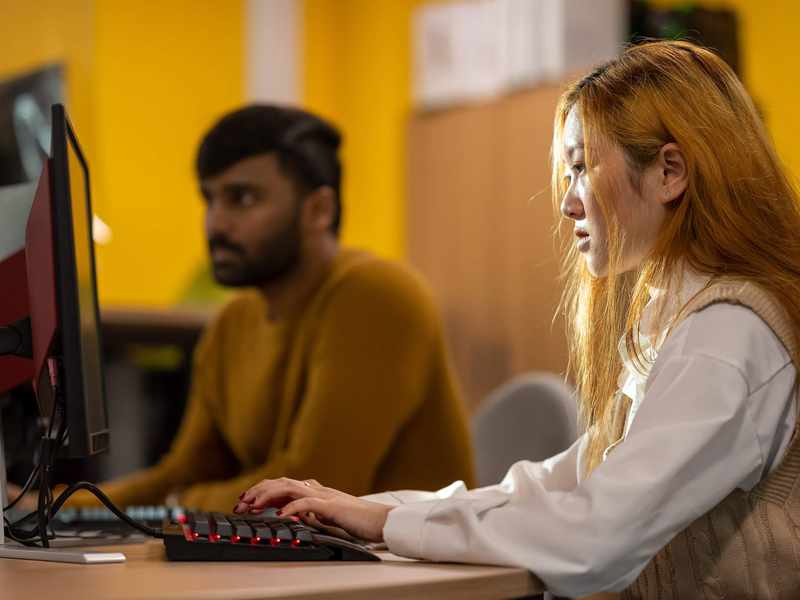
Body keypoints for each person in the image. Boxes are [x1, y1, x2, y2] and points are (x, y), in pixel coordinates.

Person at [233, 41, 800, 599]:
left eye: (580, 167)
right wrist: (377, 510)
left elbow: (592, 536)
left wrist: (385, 525)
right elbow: (551, 489)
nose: (568, 202)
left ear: (669, 172)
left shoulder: (726, 337)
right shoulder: (681, 323)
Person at [61, 105, 475, 511]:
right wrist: (55, 507)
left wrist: (180, 505)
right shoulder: (232, 322)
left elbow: (317, 485)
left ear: (319, 210)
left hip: (405, 569)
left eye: (242, 199)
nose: (216, 223)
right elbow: (183, 473)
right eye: (209, 199)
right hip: (311, 564)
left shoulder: (379, 295)